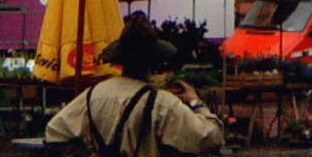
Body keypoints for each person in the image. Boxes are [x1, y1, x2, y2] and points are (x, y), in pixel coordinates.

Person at [45, 16, 224, 157]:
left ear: (119, 60)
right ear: (154, 62)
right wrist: (194, 102)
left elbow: (54, 133)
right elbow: (211, 138)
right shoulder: (163, 104)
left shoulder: (93, 95)